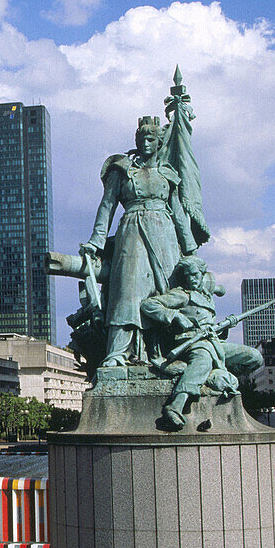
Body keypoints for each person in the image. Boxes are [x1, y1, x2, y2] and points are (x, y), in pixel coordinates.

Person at [82, 114, 207, 367]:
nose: (146, 143)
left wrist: (190, 249)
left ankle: (164, 352)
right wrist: (96, 241)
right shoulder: (123, 170)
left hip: (166, 236)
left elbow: (179, 214)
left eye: (151, 138)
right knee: (127, 291)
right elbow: (106, 207)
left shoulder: (167, 174)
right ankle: (118, 352)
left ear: (159, 142)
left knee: (165, 293)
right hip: (133, 232)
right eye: (142, 139)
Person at [141, 256, 263, 431]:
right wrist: (176, 316)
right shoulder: (182, 295)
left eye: (195, 275)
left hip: (214, 344)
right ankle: (176, 405)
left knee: (254, 357)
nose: (192, 279)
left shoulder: (207, 297)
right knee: (203, 360)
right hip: (192, 343)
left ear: (202, 274)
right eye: (188, 276)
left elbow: (210, 326)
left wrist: (225, 327)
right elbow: (148, 304)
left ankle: (222, 379)